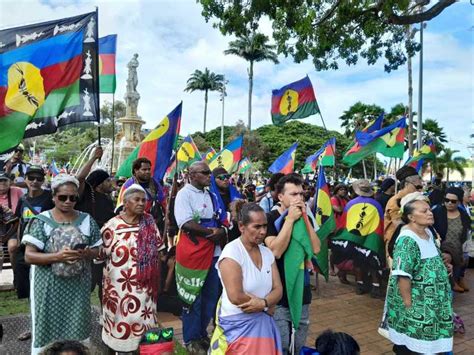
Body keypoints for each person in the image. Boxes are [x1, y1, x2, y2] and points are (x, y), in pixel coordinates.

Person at [22, 174, 101, 354]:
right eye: (62, 197)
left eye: (73, 198)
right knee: (46, 326)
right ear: (53, 197)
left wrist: (88, 253)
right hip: (48, 287)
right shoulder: (41, 221)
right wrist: (58, 256)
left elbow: (97, 251)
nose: (68, 201)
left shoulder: (87, 221)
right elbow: (29, 256)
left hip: (78, 287)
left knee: (77, 326)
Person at [210, 201, 283, 354]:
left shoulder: (267, 253)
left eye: (265, 226)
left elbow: (278, 289)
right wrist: (266, 306)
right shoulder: (232, 253)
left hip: (263, 321)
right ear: (242, 226)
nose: (263, 231)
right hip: (237, 325)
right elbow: (236, 296)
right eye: (257, 227)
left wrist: (264, 302)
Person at [101, 184, 165, 353]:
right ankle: (120, 349)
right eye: (136, 199)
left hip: (145, 286)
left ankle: (148, 350)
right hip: (118, 287)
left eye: (144, 200)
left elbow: (158, 250)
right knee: (121, 320)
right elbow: (100, 255)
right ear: (125, 203)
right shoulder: (112, 226)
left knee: (147, 319)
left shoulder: (149, 222)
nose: (141, 203)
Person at [387, 192, 453, 354]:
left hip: (433, 303)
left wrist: (443, 265)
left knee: (430, 344)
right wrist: (409, 306)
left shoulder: (429, 233)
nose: (429, 213)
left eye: (429, 210)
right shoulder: (407, 240)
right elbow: (403, 275)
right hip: (419, 304)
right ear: (411, 217)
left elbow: (432, 258)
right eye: (423, 211)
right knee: (415, 345)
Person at [174, 161, 229, 354]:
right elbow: (185, 223)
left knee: (211, 297)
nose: (209, 176)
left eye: (209, 173)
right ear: (192, 175)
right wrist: (210, 232)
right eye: (205, 172)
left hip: (213, 253)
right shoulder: (184, 195)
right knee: (192, 298)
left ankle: (201, 333)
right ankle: (191, 338)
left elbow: (222, 219)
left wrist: (221, 230)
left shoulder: (211, 195)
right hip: (193, 254)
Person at [265, 173, 321, 355]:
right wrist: (289, 220)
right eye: (293, 194)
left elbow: (316, 248)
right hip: (279, 289)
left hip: (301, 288)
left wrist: (304, 218)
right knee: (281, 343)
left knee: (298, 340)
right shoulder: (269, 218)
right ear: (280, 197)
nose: (299, 198)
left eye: (301, 194)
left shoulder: (305, 216)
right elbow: (276, 251)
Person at [13, 166, 54, 341]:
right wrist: (17, 243)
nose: (35, 181)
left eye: (39, 178)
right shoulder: (22, 199)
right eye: (32, 178)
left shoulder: (50, 198)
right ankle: (34, 327)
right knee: (30, 292)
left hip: (45, 251)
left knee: (46, 291)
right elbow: (19, 222)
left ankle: (50, 327)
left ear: (43, 180)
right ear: (26, 179)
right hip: (25, 250)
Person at [331, 180, 385, 298]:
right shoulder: (377, 205)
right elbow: (381, 222)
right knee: (373, 263)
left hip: (355, 238)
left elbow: (344, 222)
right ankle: (375, 287)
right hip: (371, 238)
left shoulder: (351, 204)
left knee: (357, 262)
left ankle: (360, 285)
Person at [75, 147, 115, 304]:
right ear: (99, 183)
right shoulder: (86, 194)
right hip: (89, 245)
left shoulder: (107, 199)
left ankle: (104, 316)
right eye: (107, 180)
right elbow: (80, 177)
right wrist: (93, 158)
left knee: (104, 283)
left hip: (105, 245)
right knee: (88, 284)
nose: (111, 183)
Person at [432, 187, 471, 292]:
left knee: (456, 271)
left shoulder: (463, 215)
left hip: (457, 249)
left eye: (453, 201)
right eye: (447, 200)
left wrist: (466, 250)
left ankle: (456, 282)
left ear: (459, 202)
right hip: (442, 250)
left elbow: (467, 233)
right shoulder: (436, 212)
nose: (449, 203)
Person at [117, 157, 166, 232]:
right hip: (134, 225)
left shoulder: (155, 183)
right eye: (144, 169)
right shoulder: (128, 185)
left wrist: (167, 219)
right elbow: (122, 207)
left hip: (154, 224)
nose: (147, 172)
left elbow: (163, 202)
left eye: (149, 169)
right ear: (136, 170)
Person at [384, 166, 422, 251]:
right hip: (397, 246)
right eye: (417, 187)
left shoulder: (416, 199)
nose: (420, 189)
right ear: (406, 184)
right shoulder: (395, 201)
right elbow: (400, 226)